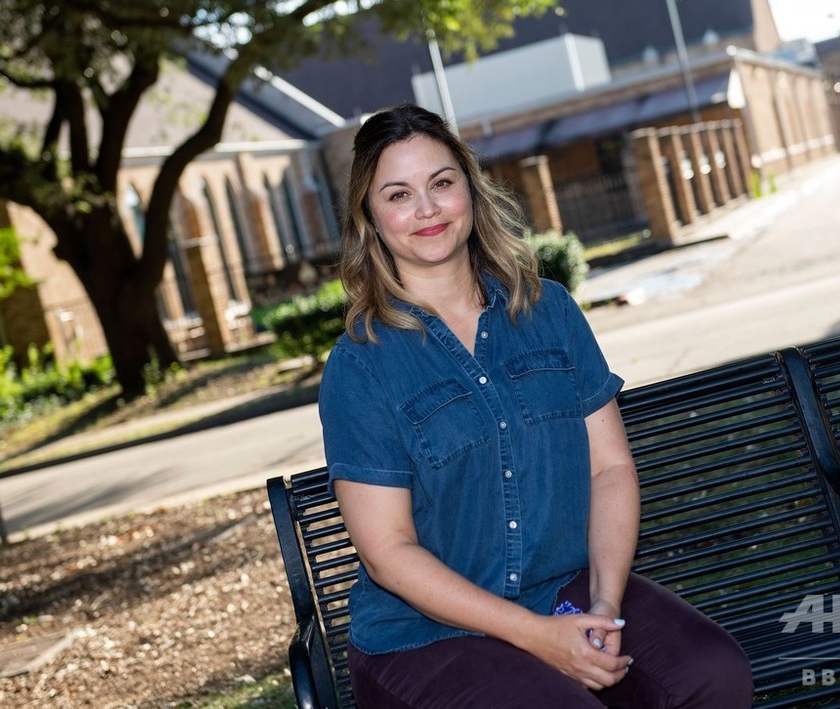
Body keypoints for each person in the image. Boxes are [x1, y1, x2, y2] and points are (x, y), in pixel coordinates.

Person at [318, 103, 753, 708]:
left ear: (469, 188)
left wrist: (603, 605)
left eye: (442, 183)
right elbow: (389, 554)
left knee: (713, 674)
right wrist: (537, 637)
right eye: (398, 194)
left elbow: (610, 469)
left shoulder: (547, 310)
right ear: (369, 218)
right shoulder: (361, 364)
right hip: (425, 636)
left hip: (564, 590)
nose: (426, 209)